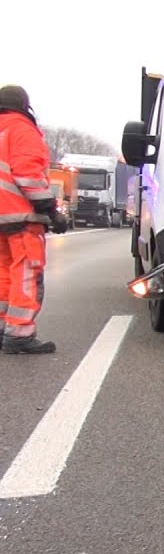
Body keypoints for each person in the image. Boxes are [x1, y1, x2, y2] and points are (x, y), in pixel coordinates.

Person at [0, 84, 69, 355]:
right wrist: (51, 210)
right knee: (27, 273)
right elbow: (28, 175)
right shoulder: (21, 130)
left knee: (4, 274)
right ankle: (19, 334)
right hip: (20, 216)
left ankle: (4, 328)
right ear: (24, 107)